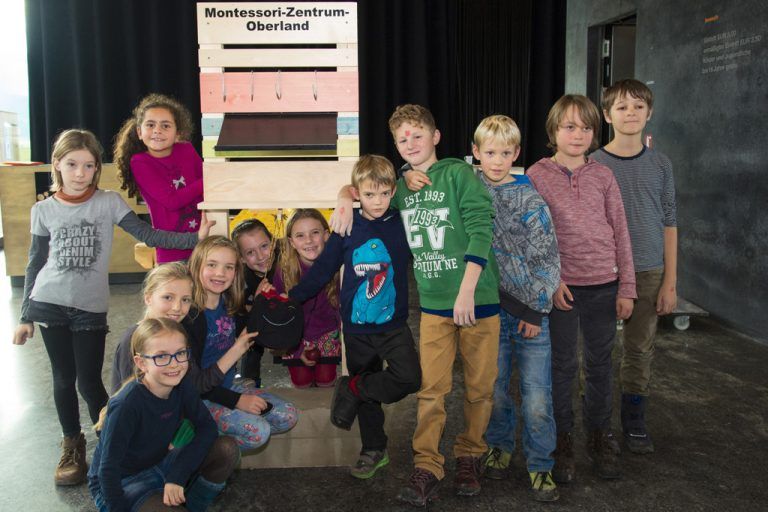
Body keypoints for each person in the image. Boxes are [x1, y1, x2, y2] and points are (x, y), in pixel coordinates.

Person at [11, 129, 211, 486]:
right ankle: (72, 444)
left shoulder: (108, 202)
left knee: (90, 381)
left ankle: (111, 439)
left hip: (90, 308)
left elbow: (149, 235)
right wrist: (26, 315)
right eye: (72, 164)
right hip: (49, 303)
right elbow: (35, 263)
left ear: (96, 169)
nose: (80, 172)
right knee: (62, 379)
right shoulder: (42, 210)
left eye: (88, 165)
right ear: (57, 165)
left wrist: (194, 239)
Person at [332, 104, 500, 506]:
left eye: (417, 135)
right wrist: (343, 196)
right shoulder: (400, 186)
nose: (410, 143)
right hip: (434, 306)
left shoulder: (460, 173)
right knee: (431, 389)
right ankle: (427, 464)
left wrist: (466, 290)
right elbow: (367, 188)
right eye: (401, 138)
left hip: (476, 300)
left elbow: (481, 226)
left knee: (479, 389)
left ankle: (470, 455)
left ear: (436, 136)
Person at [288, 155, 421, 479]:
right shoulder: (348, 225)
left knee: (410, 378)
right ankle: (373, 448)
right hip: (358, 329)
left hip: (394, 325)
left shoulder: (403, 222)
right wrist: (292, 297)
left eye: (384, 193)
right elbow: (323, 269)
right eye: (369, 194)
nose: (377, 201)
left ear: (393, 191)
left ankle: (355, 387)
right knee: (369, 396)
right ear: (358, 193)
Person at [526, 95, 636, 482]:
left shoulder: (604, 175)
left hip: (605, 286)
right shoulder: (536, 174)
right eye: (569, 126)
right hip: (562, 289)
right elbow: (533, 236)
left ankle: (599, 435)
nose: (578, 134)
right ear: (553, 130)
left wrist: (628, 287)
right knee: (562, 366)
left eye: (586, 127)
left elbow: (621, 231)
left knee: (601, 366)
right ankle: (563, 438)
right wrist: (552, 281)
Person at [464, 115, 561, 501]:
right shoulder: (469, 193)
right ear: (476, 153)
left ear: (516, 153)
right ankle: (500, 447)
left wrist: (535, 311)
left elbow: (548, 258)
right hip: (488, 312)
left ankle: (541, 465)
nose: (498, 160)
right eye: (490, 152)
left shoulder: (531, 199)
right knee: (495, 388)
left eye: (506, 153)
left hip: (530, 315)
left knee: (537, 396)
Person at [592, 79, 677, 454]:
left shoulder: (661, 164)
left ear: (650, 113)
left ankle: (634, 420)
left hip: (649, 270)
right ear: (608, 115)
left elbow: (670, 222)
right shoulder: (593, 163)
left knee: (639, 349)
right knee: (597, 350)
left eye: (638, 106)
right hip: (601, 273)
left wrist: (670, 281)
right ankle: (596, 421)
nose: (631, 113)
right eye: (622, 107)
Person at [89, 318, 240, 512]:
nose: (174, 364)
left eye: (180, 353)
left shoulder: (182, 384)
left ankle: (194, 506)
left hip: (159, 462)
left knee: (227, 449)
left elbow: (207, 428)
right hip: (122, 482)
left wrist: (178, 475)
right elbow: (107, 471)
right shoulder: (127, 404)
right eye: (161, 356)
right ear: (141, 363)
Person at [186, 235, 298, 450]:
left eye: (229, 267)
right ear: (196, 265)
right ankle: (203, 447)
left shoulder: (229, 304)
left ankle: (217, 434)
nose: (220, 273)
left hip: (229, 385)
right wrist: (235, 401)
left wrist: (262, 304)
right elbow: (194, 386)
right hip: (200, 398)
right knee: (259, 432)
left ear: (236, 272)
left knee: (288, 416)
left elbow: (250, 331)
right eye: (212, 265)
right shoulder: (190, 317)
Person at [110, 262, 256, 396]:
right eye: (168, 297)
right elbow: (128, 402)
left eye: (185, 299)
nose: (177, 308)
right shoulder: (132, 340)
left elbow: (190, 388)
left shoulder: (179, 333)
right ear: (148, 298)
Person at [114, 93, 203, 263]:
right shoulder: (140, 162)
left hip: (203, 243)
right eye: (150, 125)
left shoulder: (186, 149)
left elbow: (208, 190)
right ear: (140, 132)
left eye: (166, 125)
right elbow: (172, 201)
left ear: (178, 132)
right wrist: (207, 182)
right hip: (172, 252)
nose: (157, 130)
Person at [273, 209, 342, 389]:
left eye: (315, 233)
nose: (309, 240)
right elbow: (281, 316)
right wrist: (298, 348)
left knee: (326, 380)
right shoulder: (285, 271)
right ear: (292, 242)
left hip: (328, 332)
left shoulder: (338, 267)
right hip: (296, 336)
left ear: (326, 235)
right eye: (300, 235)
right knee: (302, 383)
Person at [231, 217, 279, 387]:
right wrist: (258, 302)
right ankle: (251, 382)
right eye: (250, 252)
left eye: (264, 246)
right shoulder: (239, 279)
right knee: (251, 345)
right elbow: (240, 323)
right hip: (255, 323)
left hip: (284, 319)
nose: (260, 256)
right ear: (242, 258)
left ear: (274, 243)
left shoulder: (286, 264)